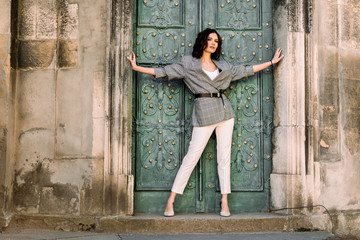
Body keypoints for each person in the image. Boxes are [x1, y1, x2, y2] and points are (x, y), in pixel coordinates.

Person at [127, 28, 284, 217]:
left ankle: (224, 201)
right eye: (209, 39)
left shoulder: (223, 65)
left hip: (225, 111)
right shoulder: (188, 64)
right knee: (192, 156)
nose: (213, 43)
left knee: (224, 158)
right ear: (203, 41)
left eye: (216, 41)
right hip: (204, 111)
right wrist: (136, 68)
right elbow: (163, 71)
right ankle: (171, 200)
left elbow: (245, 71)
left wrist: (271, 62)